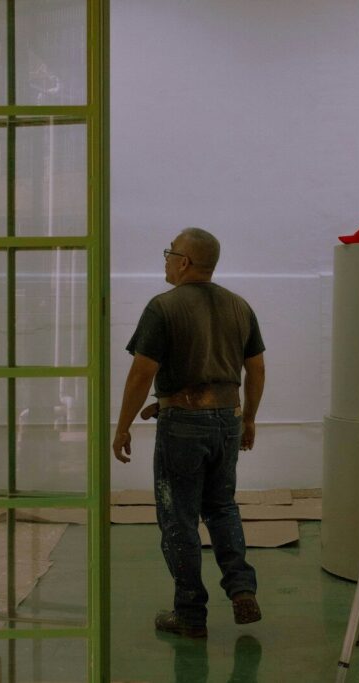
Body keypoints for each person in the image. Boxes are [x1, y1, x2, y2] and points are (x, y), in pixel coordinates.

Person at [113, 227, 266, 639]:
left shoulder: (163, 308)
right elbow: (256, 368)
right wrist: (248, 419)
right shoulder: (239, 306)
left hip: (183, 427)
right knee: (222, 507)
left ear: (183, 262)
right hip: (227, 420)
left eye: (169, 253)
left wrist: (122, 425)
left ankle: (190, 614)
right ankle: (241, 589)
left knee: (178, 518)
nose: (165, 260)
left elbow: (141, 373)